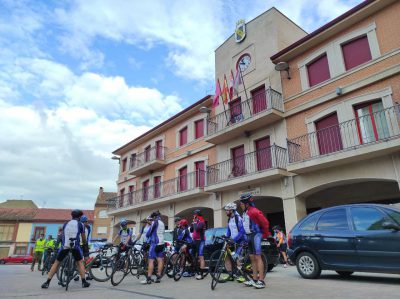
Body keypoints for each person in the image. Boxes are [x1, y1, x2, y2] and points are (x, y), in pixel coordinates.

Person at [41, 209, 90, 289]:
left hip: (65, 246)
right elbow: (83, 238)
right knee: (80, 262)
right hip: (75, 246)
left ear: (72, 216)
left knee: (56, 263)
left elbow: (63, 235)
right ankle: (84, 282)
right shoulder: (81, 224)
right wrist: (85, 245)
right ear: (80, 217)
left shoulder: (65, 223)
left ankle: (47, 282)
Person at [240, 193, 270, 289]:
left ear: (247, 203)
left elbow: (265, 223)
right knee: (252, 258)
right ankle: (254, 279)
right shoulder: (245, 213)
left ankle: (261, 280)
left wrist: (264, 234)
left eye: (241, 203)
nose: (240, 205)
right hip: (249, 236)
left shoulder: (254, 211)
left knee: (258, 257)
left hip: (256, 235)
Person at [222, 202, 247, 283]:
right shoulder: (230, 219)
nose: (226, 212)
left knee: (237, 256)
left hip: (240, 240)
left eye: (227, 210)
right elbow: (229, 230)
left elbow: (242, 231)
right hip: (233, 241)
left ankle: (241, 275)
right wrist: (226, 236)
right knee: (227, 256)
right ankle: (230, 275)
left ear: (232, 210)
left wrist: (235, 239)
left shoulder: (238, 218)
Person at [141, 211, 165, 284]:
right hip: (162, 243)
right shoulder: (162, 223)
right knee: (160, 260)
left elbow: (148, 233)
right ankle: (158, 277)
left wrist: (148, 235)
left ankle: (149, 278)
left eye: (152, 217)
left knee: (151, 261)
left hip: (155, 243)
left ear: (154, 217)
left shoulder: (155, 222)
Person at [190, 209, 207, 280]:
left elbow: (197, 229)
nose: (194, 216)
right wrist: (193, 223)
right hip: (194, 241)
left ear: (197, 215)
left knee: (201, 256)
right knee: (191, 253)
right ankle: (195, 268)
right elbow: (191, 230)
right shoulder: (195, 222)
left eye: (194, 215)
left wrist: (194, 223)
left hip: (201, 241)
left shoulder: (202, 222)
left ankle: (201, 274)